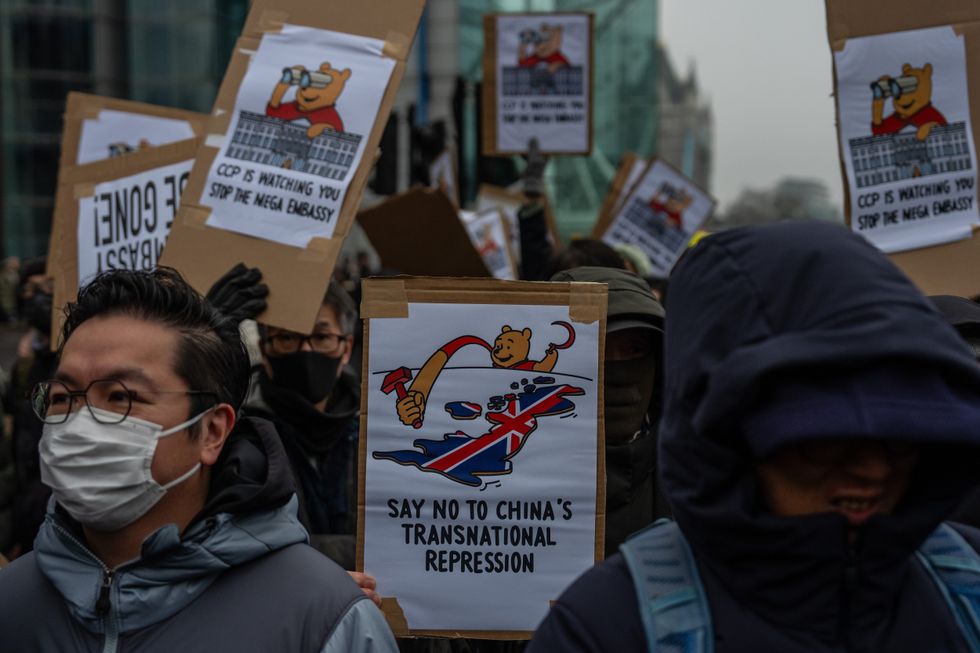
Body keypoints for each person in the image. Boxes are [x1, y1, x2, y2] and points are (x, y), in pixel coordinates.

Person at [529, 221, 980, 652]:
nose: (874, 470)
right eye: (823, 440)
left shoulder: (967, 581)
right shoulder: (609, 626)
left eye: (899, 437)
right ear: (731, 439)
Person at [0, 268, 396, 652]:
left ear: (212, 431)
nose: (81, 422)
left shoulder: (324, 622)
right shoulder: (12, 605)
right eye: (62, 398)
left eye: (121, 396)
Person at [550, 267, 669, 555]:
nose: (620, 369)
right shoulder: (499, 478)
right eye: (601, 347)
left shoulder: (696, 480)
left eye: (634, 349)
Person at [247, 279, 361, 569]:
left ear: (346, 348)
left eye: (321, 337)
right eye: (288, 337)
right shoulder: (240, 436)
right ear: (266, 350)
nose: (306, 350)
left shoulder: (378, 433)